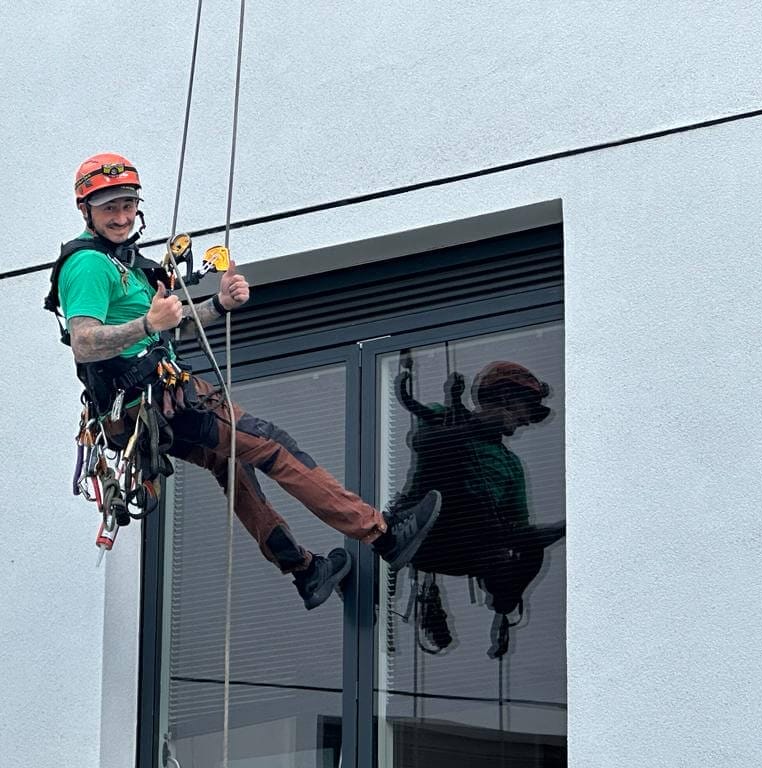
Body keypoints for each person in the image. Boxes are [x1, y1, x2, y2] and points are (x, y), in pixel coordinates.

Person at [47, 152, 441, 610]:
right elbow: (85, 342)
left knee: (230, 465)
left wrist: (218, 306)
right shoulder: (89, 265)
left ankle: (306, 570)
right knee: (273, 445)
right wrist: (148, 325)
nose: (120, 216)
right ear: (86, 211)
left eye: (127, 205)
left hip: (143, 410)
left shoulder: (127, 264)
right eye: (109, 207)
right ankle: (384, 536)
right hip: (154, 400)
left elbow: (172, 324)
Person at [390, 356, 564, 657]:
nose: (526, 421)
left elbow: (517, 527)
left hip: (474, 550)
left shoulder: (510, 466)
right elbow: (424, 442)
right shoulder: (443, 417)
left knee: (528, 545)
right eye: (526, 410)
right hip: (426, 536)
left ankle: (505, 602)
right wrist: (462, 422)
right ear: (506, 397)